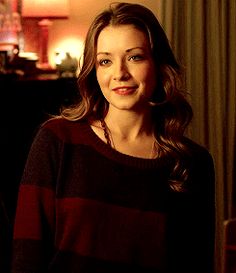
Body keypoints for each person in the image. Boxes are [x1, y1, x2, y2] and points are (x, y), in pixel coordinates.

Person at [11, 2, 215, 273]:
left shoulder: (192, 162)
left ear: (158, 64)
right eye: (105, 61)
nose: (119, 73)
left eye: (135, 57)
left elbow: (196, 263)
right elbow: (27, 255)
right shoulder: (57, 140)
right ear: (94, 72)